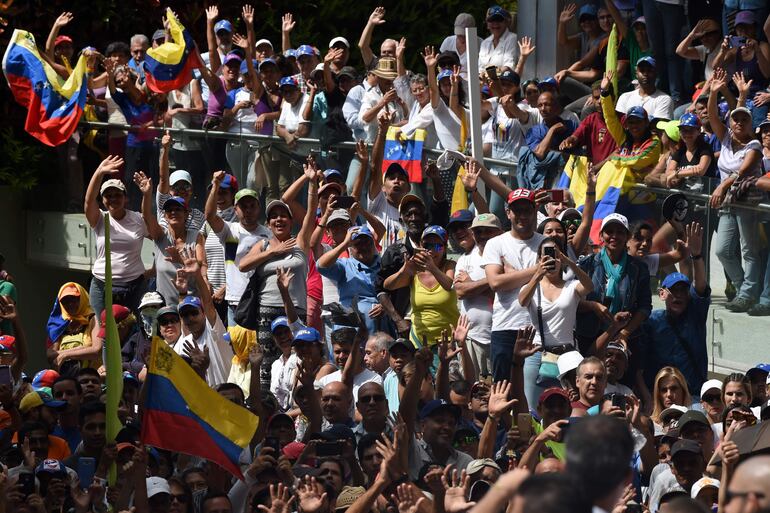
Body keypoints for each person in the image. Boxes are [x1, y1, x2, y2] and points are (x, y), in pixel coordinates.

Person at [708, 69, 765, 314]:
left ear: (751, 124)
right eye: (736, 119)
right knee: (722, 250)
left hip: (745, 202)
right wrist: (713, 93)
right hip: (727, 204)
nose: (739, 123)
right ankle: (743, 288)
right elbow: (712, 116)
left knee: (748, 249)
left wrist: (721, 185)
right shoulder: (726, 139)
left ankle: (748, 293)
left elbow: (741, 172)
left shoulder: (754, 145)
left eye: (744, 120)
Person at [519, 238, 594, 403]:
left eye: (555, 254)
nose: (551, 259)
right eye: (546, 255)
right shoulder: (532, 287)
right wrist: (537, 274)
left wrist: (569, 262)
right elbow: (523, 301)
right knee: (532, 406)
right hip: (538, 353)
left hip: (568, 355)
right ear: (539, 259)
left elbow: (589, 286)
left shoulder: (571, 286)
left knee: (572, 405)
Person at [482, 188, 544, 386]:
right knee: (503, 390)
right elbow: (495, 283)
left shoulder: (547, 242)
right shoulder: (495, 243)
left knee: (534, 396)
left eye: (527, 210)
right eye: (517, 211)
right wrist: (537, 269)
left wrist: (512, 275)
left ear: (535, 211)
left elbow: (554, 279)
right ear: (508, 213)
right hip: (505, 326)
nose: (523, 216)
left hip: (539, 328)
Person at [84, 156, 148, 316]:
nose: (113, 199)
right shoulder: (99, 218)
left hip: (134, 285)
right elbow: (88, 200)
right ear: (103, 200)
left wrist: (155, 269)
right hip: (102, 285)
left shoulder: (138, 219)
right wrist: (99, 172)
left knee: (134, 332)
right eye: (108, 196)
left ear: (125, 198)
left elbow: (159, 236)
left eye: (117, 195)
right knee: (101, 332)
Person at [205, 172, 272, 326]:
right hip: (235, 301)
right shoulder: (229, 230)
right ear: (236, 209)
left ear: (259, 208)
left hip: (260, 300)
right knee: (235, 347)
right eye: (243, 206)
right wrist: (215, 184)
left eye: (252, 206)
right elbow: (209, 216)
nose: (248, 210)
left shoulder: (268, 234)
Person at [135, 172, 205, 307]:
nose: (173, 212)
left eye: (178, 209)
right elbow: (147, 216)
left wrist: (180, 259)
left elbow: (201, 265)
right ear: (165, 216)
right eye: (169, 210)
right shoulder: (160, 236)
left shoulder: (196, 237)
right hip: (165, 309)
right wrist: (147, 194)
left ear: (186, 214)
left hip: (191, 306)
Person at [455, 213, 503, 378]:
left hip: (499, 335)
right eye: (478, 232)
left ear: (500, 232)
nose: (482, 236)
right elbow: (461, 292)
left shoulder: (507, 256)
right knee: (471, 389)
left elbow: (504, 295)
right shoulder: (465, 259)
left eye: (488, 231)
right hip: (471, 337)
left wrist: (471, 283)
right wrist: (493, 281)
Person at [478, 6, 518, 73]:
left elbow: (509, 66)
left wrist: (490, 74)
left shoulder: (512, 39)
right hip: (485, 82)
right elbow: (480, 68)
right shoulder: (485, 43)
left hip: (504, 82)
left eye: (499, 20)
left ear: (506, 22)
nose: (495, 23)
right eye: (491, 20)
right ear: (487, 24)